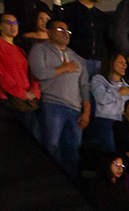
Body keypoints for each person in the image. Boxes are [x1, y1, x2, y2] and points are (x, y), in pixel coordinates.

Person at [28, 18, 90, 176]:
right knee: (51, 147)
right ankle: (49, 182)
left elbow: (84, 86)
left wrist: (87, 112)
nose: (65, 33)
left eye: (67, 30)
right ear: (48, 32)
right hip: (52, 105)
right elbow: (39, 73)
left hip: (75, 109)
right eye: (60, 29)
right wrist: (63, 69)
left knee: (73, 151)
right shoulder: (40, 50)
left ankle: (72, 185)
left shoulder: (77, 58)